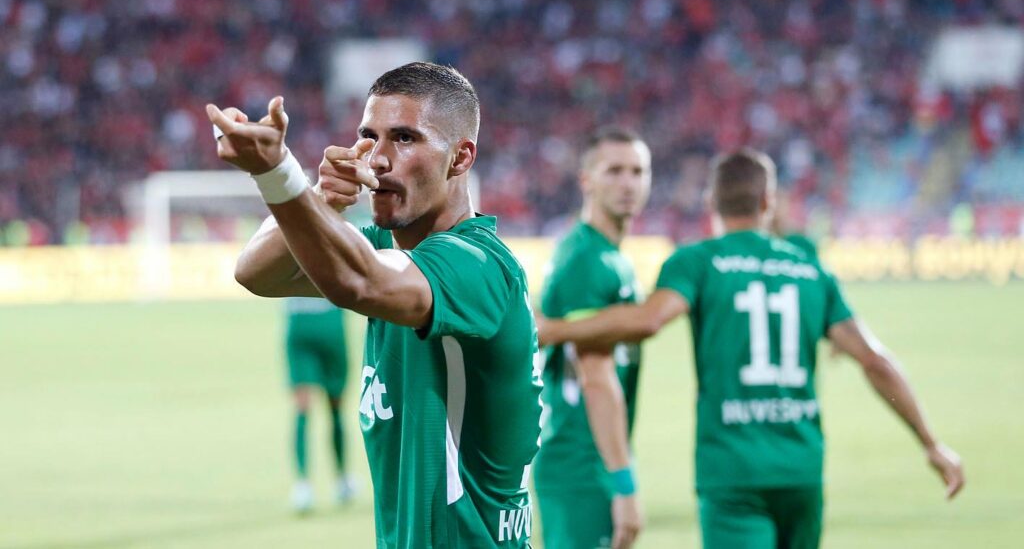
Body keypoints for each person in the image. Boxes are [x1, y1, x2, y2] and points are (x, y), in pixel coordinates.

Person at [539, 149, 965, 548]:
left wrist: (556, 330)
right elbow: (875, 360)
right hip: (801, 469)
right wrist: (931, 443)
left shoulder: (697, 262)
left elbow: (648, 320)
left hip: (732, 472)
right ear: (767, 202)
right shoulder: (809, 268)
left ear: (711, 203)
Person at [207, 62, 542, 547]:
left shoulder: (478, 265)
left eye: (404, 138)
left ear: (460, 158)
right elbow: (257, 272)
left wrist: (278, 174)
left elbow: (358, 282)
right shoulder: (388, 249)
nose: (378, 159)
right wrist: (320, 196)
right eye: (369, 136)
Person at [534, 127, 650, 549]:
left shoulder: (604, 254)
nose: (628, 183)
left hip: (585, 455)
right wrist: (623, 482)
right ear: (587, 180)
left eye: (637, 171)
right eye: (614, 171)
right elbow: (596, 377)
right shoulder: (588, 260)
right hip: (581, 461)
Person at [283, 296, 356, 512]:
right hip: (324, 323)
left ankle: (313, 483)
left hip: (306, 323)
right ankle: (332, 481)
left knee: (314, 407)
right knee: (328, 407)